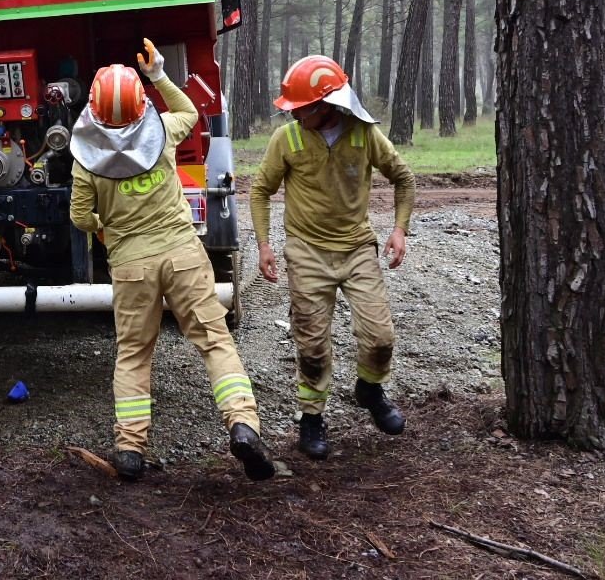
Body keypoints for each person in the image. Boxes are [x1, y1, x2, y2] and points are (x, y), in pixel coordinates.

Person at [69, 39, 276, 483]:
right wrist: (158, 74)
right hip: (183, 254)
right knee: (215, 341)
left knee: (133, 354)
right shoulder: (161, 130)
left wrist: (109, 227)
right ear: (140, 104)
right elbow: (191, 113)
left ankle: (130, 448)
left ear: (95, 110)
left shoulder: (85, 159)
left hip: (130, 265)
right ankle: (242, 424)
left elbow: (80, 217)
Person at [250, 55, 416, 461]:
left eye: (301, 108)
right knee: (312, 347)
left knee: (381, 339)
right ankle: (311, 419)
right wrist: (265, 245)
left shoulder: (363, 134)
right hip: (306, 252)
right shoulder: (285, 140)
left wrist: (398, 229)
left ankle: (370, 389)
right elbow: (259, 191)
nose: (295, 115)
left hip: (357, 248)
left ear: (327, 104)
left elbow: (403, 177)